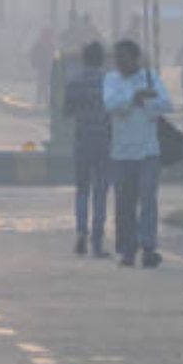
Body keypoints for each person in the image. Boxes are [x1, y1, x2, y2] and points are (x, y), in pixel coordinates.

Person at [104, 39, 172, 268]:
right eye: (117, 57)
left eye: (123, 56)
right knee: (125, 205)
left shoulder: (150, 77)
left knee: (148, 202)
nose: (119, 62)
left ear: (135, 58)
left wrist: (146, 102)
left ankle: (148, 247)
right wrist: (134, 98)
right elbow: (111, 104)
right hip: (121, 153)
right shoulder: (111, 80)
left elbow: (165, 105)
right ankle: (127, 249)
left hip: (148, 152)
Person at [64, 41, 111, 258]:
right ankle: (98, 240)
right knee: (101, 191)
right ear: (102, 60)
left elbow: (66, 111)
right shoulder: (109, 83)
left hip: (82, 139)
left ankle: (81, 233)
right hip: (104, 140)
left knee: (82, 189)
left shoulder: (75, 83)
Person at [29, 28, 56, 108]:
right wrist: (35, 64)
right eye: (47, 35)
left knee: (46, 84)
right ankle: (44, 101)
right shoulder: (38, 45)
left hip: (50, 66)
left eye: (50, 35)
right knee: (43, 84)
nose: (49, 37)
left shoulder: (51, 45)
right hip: (42, 66)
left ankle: (42, 100)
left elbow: (55, 55)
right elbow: (33, 55)